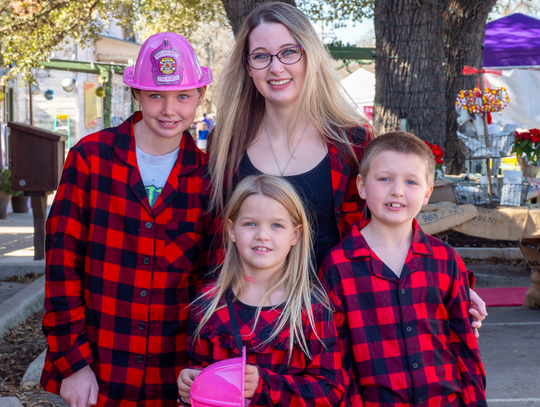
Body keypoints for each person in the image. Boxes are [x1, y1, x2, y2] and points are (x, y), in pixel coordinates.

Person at [207, 1, 487, 333]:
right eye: (261, 56)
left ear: (309, 55)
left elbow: (392, 219)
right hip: (253, 321)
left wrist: (453, 284)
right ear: (248, 66)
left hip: (339, 317)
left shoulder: (352, 143)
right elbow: (215, 237)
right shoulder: (226, 144)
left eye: (288, 52)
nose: (276, 67)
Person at [41, 32, 215, 407]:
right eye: (156, 96)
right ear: (137, 94)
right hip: (100, 367)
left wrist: (205, 364)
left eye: (183, 96)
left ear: (201, 95)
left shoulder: (208, 176)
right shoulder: (90, 158)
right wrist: (72, 364)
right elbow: (61, 265)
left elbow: (212, 281)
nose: (170, 110)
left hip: (175, 374)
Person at [318, 132, 487, 407]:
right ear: (361, 185)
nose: (397, 190)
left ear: (427, 193)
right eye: (385, 179)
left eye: (411, 182)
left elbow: (464, 345)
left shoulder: (446, 260)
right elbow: (337, 358)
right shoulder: (338, 266)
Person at [178, 175, 344, 406]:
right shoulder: (208, 304)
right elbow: (199, 365)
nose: (262, 235)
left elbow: (329, 390)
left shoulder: (312, 308)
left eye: (276, 225)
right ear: (231, 230)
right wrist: (191, 381)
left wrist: (265, 385)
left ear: (295, 235)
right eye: (250, 224)